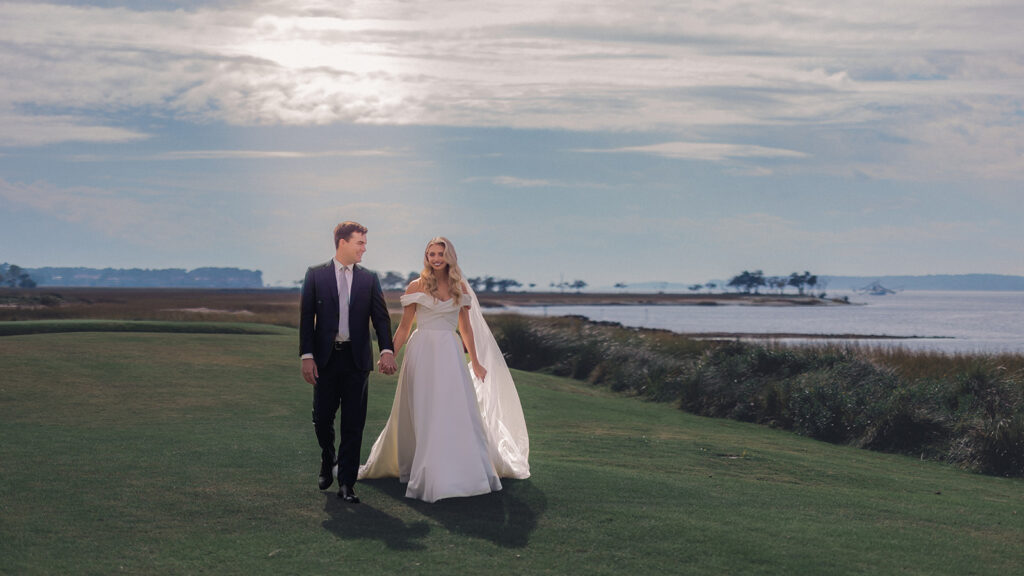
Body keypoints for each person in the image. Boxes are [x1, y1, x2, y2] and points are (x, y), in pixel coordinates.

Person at [359, 237, 530, 503]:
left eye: (440, 253)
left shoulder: (458, 287)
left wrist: (476, 360)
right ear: (426, 257)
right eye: (431, 254)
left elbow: (466, 328)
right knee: (424, 409)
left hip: (449, 353)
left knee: (452, 408)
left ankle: (453, 469)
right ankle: (422, 467)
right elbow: (405, 327)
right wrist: (389, 353)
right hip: (421, 352)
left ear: (449, 256)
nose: (435, 258)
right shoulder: (416, 285)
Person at [299, 221, 398, 504]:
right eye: (360, 243)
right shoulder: (315, 275)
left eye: (365, 243)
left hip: (357, 361)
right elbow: (307, 319)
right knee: (322, 418)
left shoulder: (369, 278)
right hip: (325, 360)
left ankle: (346, 483)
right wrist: (307, 356)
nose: (364, 248)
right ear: (342, 242)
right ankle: (327, 457)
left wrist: (386, 349)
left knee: (354, 424)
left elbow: (380, 318)